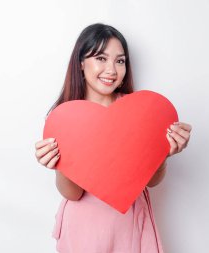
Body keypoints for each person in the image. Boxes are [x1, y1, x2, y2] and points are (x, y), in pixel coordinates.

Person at [35, 23, 192, 253]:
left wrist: (162, 153)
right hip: (85, 228)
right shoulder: (64, 118)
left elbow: (151, 182)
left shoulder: (140, 112)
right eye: (101, 58)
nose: (111, 69)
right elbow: (73, 193)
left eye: (120, 61)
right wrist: (60, 164)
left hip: (130, 223)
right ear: (81, 62)